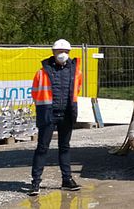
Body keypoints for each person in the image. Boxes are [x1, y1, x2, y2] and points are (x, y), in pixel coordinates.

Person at [28, 39, 83, 196]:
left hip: (66, 114)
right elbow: (35, 93)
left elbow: (76, 90)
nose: (62, 54)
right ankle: (35, 183)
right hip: (48, 114)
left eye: (65, 51)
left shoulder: (76, 71)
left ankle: (67, 180)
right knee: (42, 148)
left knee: (64, 147)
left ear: (70, 53)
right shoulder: (42, 72)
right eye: (59, 51)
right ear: (53, 53)